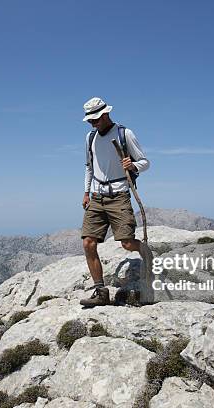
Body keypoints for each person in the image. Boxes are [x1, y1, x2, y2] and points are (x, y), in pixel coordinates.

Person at [80, 97, 150, 307]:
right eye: (90, 120)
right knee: (88, 243)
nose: (93, 123)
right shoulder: (90, 138)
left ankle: (149, 257)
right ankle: (101, 291)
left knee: (127, 243)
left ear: (106, 114)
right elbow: (89, 167)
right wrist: (86, 192)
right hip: (97, 196)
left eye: (96, 119)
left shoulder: (124, 133)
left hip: (119, 195)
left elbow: (146, 162)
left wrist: (133, 165)